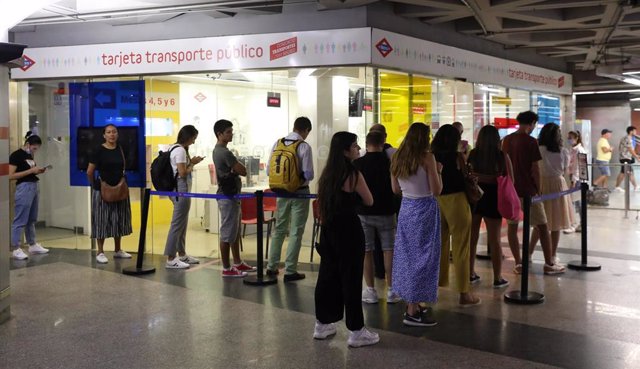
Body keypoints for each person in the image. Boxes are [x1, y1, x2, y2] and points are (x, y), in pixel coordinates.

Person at [313, 131, 379, 348]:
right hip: (349, 230)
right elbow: (369, 200)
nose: (358, 149)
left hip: (329, 229)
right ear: (345, 150)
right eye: (355, 145)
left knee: (327, 275)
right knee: (351, 279)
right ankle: (356, 330)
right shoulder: (352, 174)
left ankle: (322, 323)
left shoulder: (327, 174)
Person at [391, 122, 442, 327]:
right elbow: (437, 190)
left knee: (408, 256)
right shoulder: (427, 157)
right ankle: (412, 310)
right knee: (425, 257)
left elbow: (395, 188)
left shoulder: (397, 157)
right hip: (426, 208)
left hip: (406, 208)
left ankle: (412, 301)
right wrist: (439, 171)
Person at [502, 111, 565, 275]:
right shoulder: (531, 142)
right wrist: (538, 189)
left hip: (511, 191)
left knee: (512, 227)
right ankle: (549, 263)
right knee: (543, 226)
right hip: (529, 191)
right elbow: (535, 169)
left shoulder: (506, 140)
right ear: (532, 123)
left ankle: (518, 263)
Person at [431, 124, 480, 307]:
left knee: (440, 245)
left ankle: (436, 286)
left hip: (436, 201)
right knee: (461, 247)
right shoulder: (457, 157)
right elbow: (466, 177)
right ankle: (464, 294)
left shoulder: (431, 156)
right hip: (457, 201)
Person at [354, 131, 401, 304]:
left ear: (366, 144)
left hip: (364, 212)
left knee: (366, 251)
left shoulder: (358, 164)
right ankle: (392, 290)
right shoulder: (390, 163)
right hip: (387, 212)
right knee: (389, 251)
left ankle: (371, 291)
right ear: (383, 143)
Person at [266, 117, 314, 282]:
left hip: (281, 192)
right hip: (300, 193)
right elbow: (309, 174)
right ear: (306, 130)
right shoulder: (304, 147)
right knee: (295, 231)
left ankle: (271, 266)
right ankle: (290, 270)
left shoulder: (277, 143)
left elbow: (268, 170)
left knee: (279, 229)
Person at [468, 125, 511, 288]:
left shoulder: (473, 154)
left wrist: (480, 177)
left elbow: (468, 174)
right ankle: (497, 277)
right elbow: (509, 178)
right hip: (494, 197)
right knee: (495, 239)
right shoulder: (501, 156)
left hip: (475, 197)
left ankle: (470, 273)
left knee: (472, 238)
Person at [212, 119, 256, 278]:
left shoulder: (219, 151)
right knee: (227, 233)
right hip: (227, 196)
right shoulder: (225, 152)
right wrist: (237, 167)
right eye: (228, 132)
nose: (231, 134)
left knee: (234, 231)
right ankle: (226, 267)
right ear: (219, 134)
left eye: (232, 131)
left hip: (231, 195)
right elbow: (243, 170)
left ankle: (237, 262)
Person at [87, 124, 133, 264]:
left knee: (118, 218)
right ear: (104, 135)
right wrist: (95, 185)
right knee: (102, 220)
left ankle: (118, 249)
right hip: (102, 190)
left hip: (119, 189)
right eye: (108, 132)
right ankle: (100, 251)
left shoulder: (120, 148)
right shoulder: (98, 150)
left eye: (114, 132)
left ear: (117, 134)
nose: (112, 134)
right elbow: (90, 171)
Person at [530, 123, 573, 266]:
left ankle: (529, 253)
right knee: (556, 223)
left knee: (539, 223)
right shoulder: (563, 151)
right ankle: (553, 255)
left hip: (541, 185)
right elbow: (565, 171)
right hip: (558, 186)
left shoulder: (537, 149)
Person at [163, 125, 205, 269]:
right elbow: (182, 173)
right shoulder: (180, 150)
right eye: (193, 138)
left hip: (180, 189)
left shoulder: (175, 148)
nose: (193, 142)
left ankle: (182, 253)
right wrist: (192, 163)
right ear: (188, 137)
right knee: (177, 224)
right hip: (180, 189)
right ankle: (170, 258)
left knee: (182, 222)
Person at [8, 132, 50, 260]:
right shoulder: (16, 156)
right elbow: (10, 176)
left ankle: (32, 244)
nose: (35, 151)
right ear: (27, 144)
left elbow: (31, 172)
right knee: (20, 218)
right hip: (24, 188)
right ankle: (15, 247)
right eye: (34, 148)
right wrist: (31, 171)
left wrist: (38, 171)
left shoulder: (29, 156)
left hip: (34, 186)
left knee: (32, 218)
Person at [367, 123, 397, 281]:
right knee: (389, 247)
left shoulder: (361, 159)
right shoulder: (393, 154)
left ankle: (377, 275)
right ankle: (392, 284)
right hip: (387, 206)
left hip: (366, 209)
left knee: (370, 248)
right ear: (384, 137)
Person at [564, 131, 587, 233]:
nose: (569, 139)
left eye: (571, 137)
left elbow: (580, 168)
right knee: (576, 202)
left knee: (577, 202)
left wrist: (574, 180)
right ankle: (577, 224)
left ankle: (576, 224)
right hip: (573, 178)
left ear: (577, 138)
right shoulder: (572, 150)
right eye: (568, 137)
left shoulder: (580, 150)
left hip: (577, 180)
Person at [614, 126, 640, 192]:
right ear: (631, 131)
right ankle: (617, 187)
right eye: (635, 131)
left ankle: (635, 186)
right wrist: (637, 157)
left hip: (627, 157)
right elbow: (630, 149)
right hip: (625, 158)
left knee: (627, 172)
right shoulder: (627, 138)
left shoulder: (632, 138)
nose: (635, 132)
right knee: (626, 172)